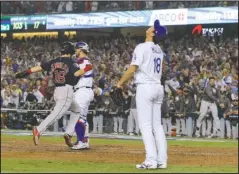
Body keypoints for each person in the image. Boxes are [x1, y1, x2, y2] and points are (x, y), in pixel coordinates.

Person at [116, 20, 168, 169]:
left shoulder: (142, 47)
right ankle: (162, 160)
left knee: (145, 125)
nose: (152, 27)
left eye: (154, 27)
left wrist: (120, 83)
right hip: (158, 86)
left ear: (153, 33)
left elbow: (132, 69)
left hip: (145, 87)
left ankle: (151, 160)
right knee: (157, 126)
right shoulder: (159, 50)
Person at [15, 42, 83, 146]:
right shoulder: (71, 62)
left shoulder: (53, 61)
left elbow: (39, 67)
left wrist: (26, 72)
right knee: (56, 114)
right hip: (66, 91)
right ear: (70, 52)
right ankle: (38, 130)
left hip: (57, 91)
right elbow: (76, 76)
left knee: (77, 109)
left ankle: (69, 134)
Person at [70, 42, 94, 150]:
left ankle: (82, 141)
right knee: (82, 117)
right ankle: (84, 140)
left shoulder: (84, 61)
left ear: (81, 49)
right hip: (84, 91)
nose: (75, 51)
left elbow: (86, 68)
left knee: (78, 117)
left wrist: (72, 74)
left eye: (77, 49)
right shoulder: (82, 61)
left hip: (83, 91)